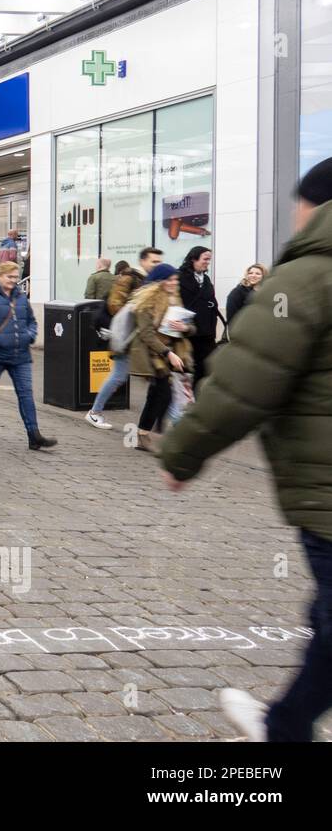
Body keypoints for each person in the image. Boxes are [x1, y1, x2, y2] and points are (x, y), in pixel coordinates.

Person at [160, 159, 332, 743]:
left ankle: (281, 732)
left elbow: (246, 381)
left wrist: (183, 451)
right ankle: (286, 726)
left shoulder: (308, 278)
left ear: (313, 206)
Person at [0, 260, 56, 449]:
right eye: (10, 276)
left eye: (16, 277)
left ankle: (34, 435)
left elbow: (31, 321)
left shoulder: (21, 297)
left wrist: (29, 336)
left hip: (20, 354)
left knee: (25, 393)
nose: (14, 280)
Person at [85, 247, 163, 430]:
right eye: (153, 261)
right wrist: (137, 317)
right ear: (143, 261)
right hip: (127, 337)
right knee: (119, 375)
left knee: (154, 378)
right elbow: (114, 305)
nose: (156, 265)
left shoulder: (149, 281)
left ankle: (160, 421)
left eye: (159, 262)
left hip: (140, 337)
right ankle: (94, 412)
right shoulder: (130, 278)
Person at [127, 262, 193, 453]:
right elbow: (146, 334)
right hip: (154, 355)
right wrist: (168, 353)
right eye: (170, 279)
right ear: (159, 281)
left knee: (158, 394)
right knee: (162, 393)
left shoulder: (175, 299)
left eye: (175, 279)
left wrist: (185, 328)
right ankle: (149, 435)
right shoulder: (145, 303)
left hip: (174, 352)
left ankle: (144, 434)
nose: (174, 282)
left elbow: (190, 327)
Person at [178, 245, 218, 384]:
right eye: (205, 259)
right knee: (186, 372)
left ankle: (199, 399)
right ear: (194, 259)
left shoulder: (206, 280)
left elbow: (212, 304)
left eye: (209, 260)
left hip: (206, 334)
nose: (207, 262)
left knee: (207, 369)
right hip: (187, 333)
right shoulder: (179, 277)